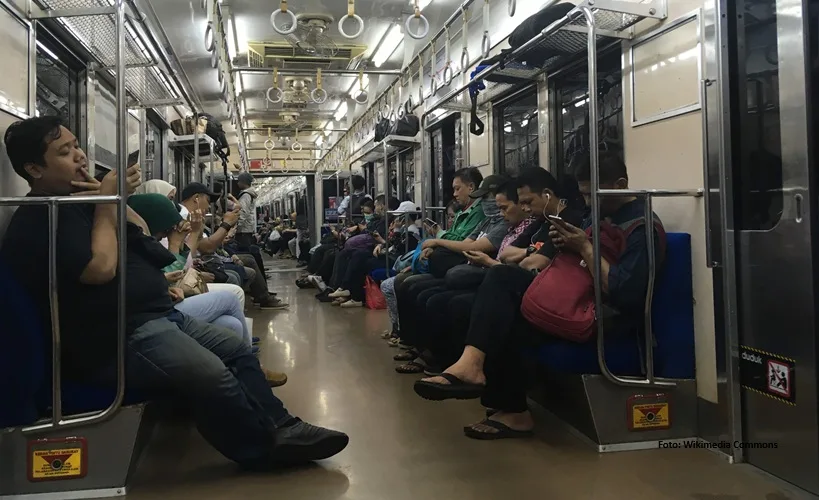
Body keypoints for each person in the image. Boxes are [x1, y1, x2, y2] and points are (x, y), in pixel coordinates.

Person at [1, 117, 348, 467]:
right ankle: (260, 450)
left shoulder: (79, 202)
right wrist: (106, 203)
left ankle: (283, 424)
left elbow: (140, 230)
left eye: (77, 145)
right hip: (116, 338)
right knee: (213, 373)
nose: (79, 155)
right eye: (65, 151)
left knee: (236, 349)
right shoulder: (41, 215)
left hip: (153, 316)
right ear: (34, 168)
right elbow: (100, 269)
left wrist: (112, 198)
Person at [414, 153, 664, 441]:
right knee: (494, 288)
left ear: (620, 185)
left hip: (603, 313)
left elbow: (624, 293)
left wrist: (583, 247)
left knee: (506, 304)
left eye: (593, 194)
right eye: (583, 194)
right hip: (574, 297)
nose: (588, 201)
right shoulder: (598, 215)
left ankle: (499, 396)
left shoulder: (641, 227)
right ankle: (486, 380)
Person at [234, 172, 258, 252]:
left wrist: (235, 226)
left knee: (244, 250)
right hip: (247, 228)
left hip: (243, 229)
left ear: (243, 182)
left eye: (239, 181)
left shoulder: (246, 195)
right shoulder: (248, 194)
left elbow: (243, 212)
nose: (238, 183)